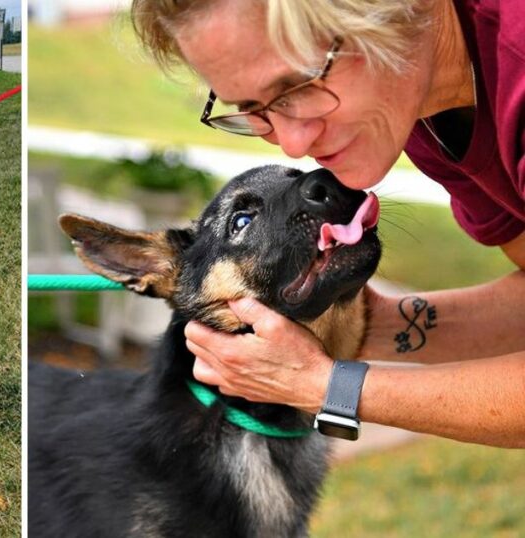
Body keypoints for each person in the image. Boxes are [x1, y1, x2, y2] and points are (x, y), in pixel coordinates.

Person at [131, 0, 525, 447]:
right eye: (254, 108)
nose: (293, 145)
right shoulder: (424, 107)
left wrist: (326, 387)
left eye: (300, 83)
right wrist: (370, 327)